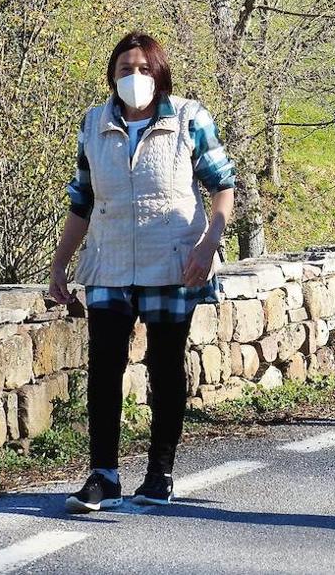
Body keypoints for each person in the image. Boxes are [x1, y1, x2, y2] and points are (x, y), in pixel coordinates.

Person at [48, 31, 236, 513]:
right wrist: (59, 263)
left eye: (143, 68)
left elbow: (222, 186)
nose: (134, 77)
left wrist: (209, 243)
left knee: (165, 365)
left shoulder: (189, 119)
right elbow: (82, 200)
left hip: (173, 261)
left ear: (160, 73)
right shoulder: (94, 124)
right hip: (109, 262)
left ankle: (160, 471)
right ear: (112, 76)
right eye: (125, 69)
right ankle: (103, 476)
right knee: (105, 367)